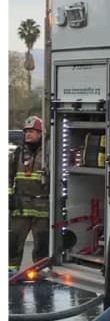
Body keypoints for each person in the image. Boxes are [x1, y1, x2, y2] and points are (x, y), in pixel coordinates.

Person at [9, 115, 49, 274]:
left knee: (42, 246)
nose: (28, 135)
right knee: (12, 245)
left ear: (40, 134)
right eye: (26, 132)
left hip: (43, 210)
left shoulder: (48, 156)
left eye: (32, 131)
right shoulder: (17, 154)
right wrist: (9, 197)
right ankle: (10, 275)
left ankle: (42, 275)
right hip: (20, 209)